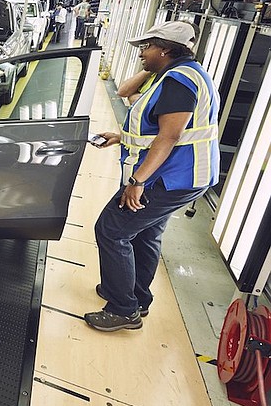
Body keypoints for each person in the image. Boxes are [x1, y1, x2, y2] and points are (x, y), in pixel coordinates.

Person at [84, 21, 219, 332]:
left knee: (111, 229)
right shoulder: (177, 74)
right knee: (145, 234)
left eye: (147, 47)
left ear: (166, 49)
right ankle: (136, 296)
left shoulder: (179, 81)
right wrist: (121, 137)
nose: (142, 53)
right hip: (184, 176)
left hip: (171, 178)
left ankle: (123, 308)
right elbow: (133, 102)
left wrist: (137, 182)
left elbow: (169, 136)